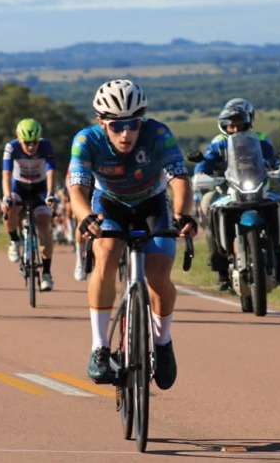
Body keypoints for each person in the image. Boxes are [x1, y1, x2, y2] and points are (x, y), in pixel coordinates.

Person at [68, 79, 197, 390]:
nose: (126, 133)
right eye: (116, 126)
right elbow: (77, 189)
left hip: (152, 202)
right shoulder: (86, 140)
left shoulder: (158, 133)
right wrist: (86, 218)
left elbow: (179, 178)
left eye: (133, 124)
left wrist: (182, 214)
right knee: (107, 252)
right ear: (101, 122)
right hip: (109, 203)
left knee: (158, 275)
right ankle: (100, 347)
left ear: (143, 119)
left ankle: (163, 342)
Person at [192, 97, 280, 288]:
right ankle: (219, 267)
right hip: (226, 193)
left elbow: (273, 159)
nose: (234, 129)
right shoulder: (219, 143)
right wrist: (200, 171)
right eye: (230, 125)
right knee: (207, 206)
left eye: (239, 124)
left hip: (260, 190)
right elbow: (205, 161)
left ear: (249, 121)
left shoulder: (261, 140)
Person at [1, 118, 58, 292]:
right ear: (19, 138)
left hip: (40, 189)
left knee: (44, 225)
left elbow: (51, 173)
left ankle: (47, 273)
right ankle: (14, 241)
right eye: (27, 143)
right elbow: (6, 174)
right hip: (19, 186)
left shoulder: (46, 146)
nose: (31, 147)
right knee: (10, 209)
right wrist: (6, 196)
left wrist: (50, 195)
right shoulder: (11, 147)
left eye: (34, 143)